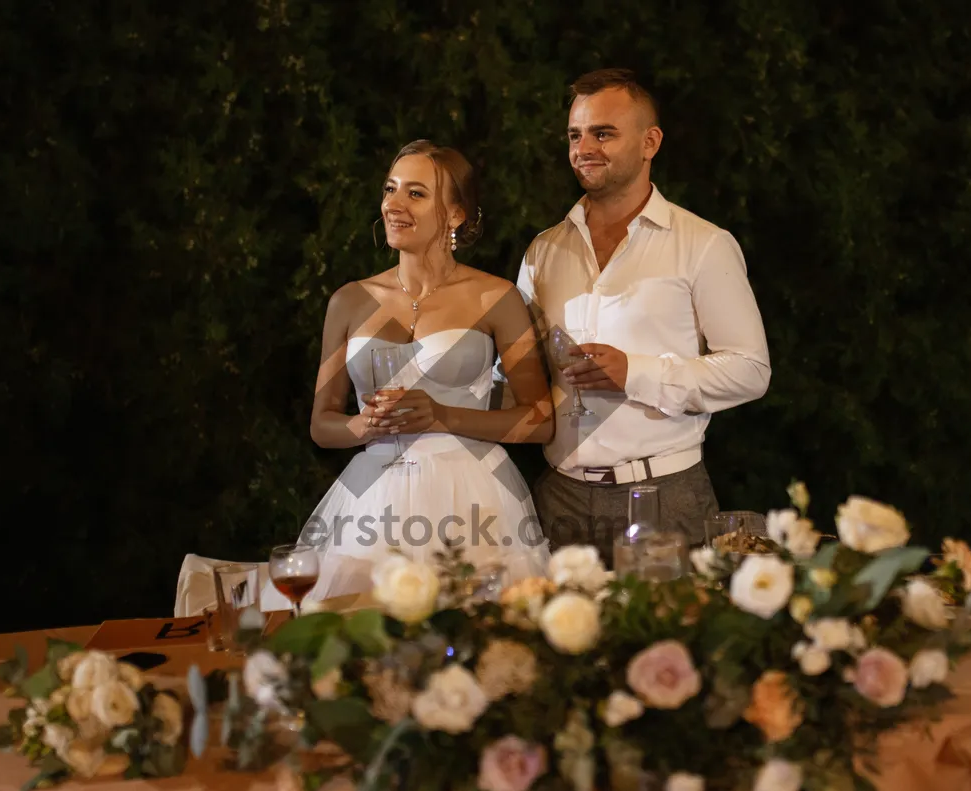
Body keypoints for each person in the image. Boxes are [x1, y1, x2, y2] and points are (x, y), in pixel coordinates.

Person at [515, 68, 771, 563]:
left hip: (661, 495)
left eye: (603, 133)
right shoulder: (543, 251)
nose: (583, 146)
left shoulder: (703, 244)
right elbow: (519, 370)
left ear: (650, 141)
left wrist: (635, 373)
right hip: (557, 496)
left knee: (662, 640)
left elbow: (751, 369)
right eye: (575, 134)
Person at [300, 140, 554, 602]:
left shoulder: (495, 298)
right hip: (371, 498)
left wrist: (443, 416)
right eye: (390, 189)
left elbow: (539, 419)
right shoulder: (349, 301)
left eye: (415, 194)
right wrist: (363, 424)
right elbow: (322, 424)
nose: (393, 205)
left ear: (455, 214)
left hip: (472, 492)